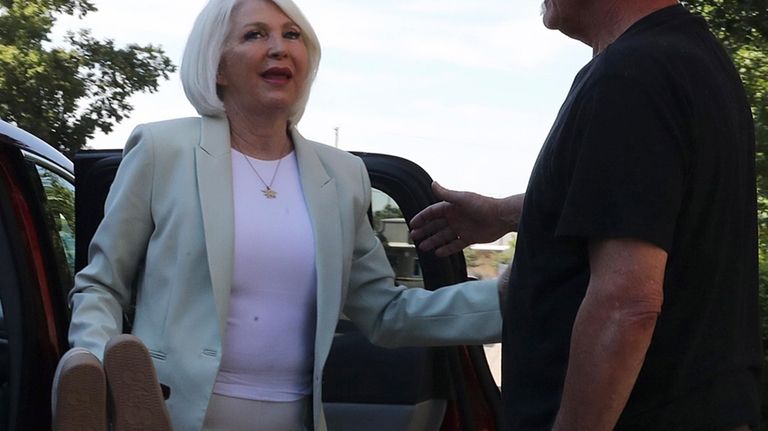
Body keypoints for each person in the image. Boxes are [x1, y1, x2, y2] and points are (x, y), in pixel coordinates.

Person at [52, 0, 502, 430]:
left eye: (292, 35)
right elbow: (102, 284)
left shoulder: (343, 175)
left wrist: (516, 295)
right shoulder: (161, 150)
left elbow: (384, 311)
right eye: (254, 34)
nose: (279, 47)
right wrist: (94, 368)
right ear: (218, 65)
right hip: (165, 416)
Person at [410, 0, 760, 430]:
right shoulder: (685, 58)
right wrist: (504, 214)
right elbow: (640, 202)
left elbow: (628, 304)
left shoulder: (633, 74)